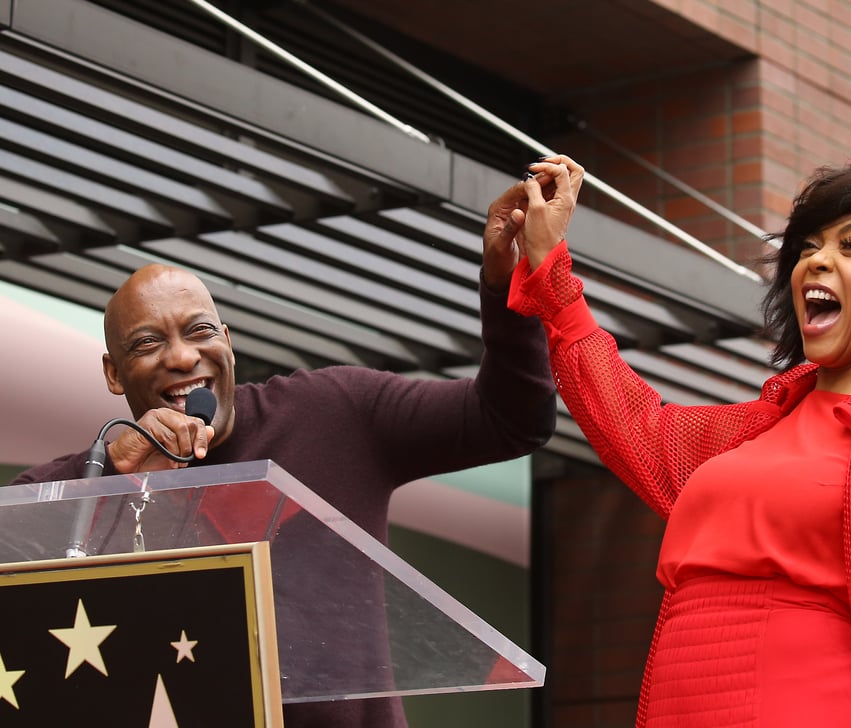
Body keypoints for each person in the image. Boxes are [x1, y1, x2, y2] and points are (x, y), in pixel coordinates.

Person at [498, 154, 851, 727]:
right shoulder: (758, 425)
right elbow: (634, 423)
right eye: (810, 247)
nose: (816, 261)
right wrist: (549, 265)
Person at [8, 192, 557, 727]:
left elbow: (510, 419)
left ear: (227, 341)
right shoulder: (88, 481)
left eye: (199, 332)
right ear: (112, 373)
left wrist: (508, 281)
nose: (181, 356)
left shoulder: (334, 412)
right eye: (147, 344)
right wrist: (107, 467)